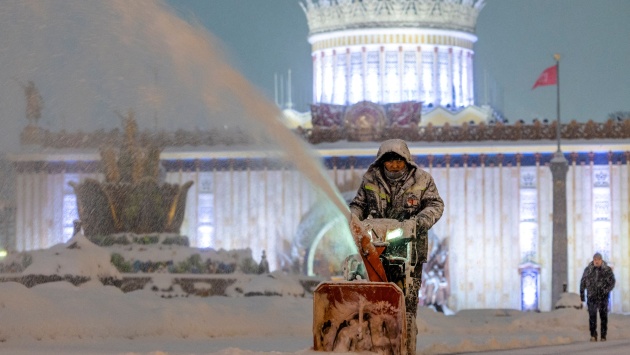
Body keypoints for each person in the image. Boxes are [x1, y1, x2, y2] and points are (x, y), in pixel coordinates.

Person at [349, 138, 444, 355]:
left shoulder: (422, 180)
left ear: (407, 161)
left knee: (406, 301)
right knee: (375, 298)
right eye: (389, 161)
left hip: (410, 250)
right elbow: (359, 204)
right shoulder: (370, 179)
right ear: (381, 162)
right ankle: (373, 340)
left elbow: (436, 205)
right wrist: (354, 217)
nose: (393, 165)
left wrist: (418, 222)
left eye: (398, 161)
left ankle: (406, 339)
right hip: (376, 247)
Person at [579, 252, 616, 342]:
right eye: (595, 260)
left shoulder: (607, 270)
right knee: (592, 316)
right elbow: (583, 282)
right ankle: (593, 335)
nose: (596, 262)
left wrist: (606, 290)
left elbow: (612, 282)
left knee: (603, 317)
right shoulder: (588, 270)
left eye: (598, 260)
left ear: (601, 260)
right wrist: (582, 295)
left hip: (603, 297)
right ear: (593, 260)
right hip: (591, 296)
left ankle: (603, 335)